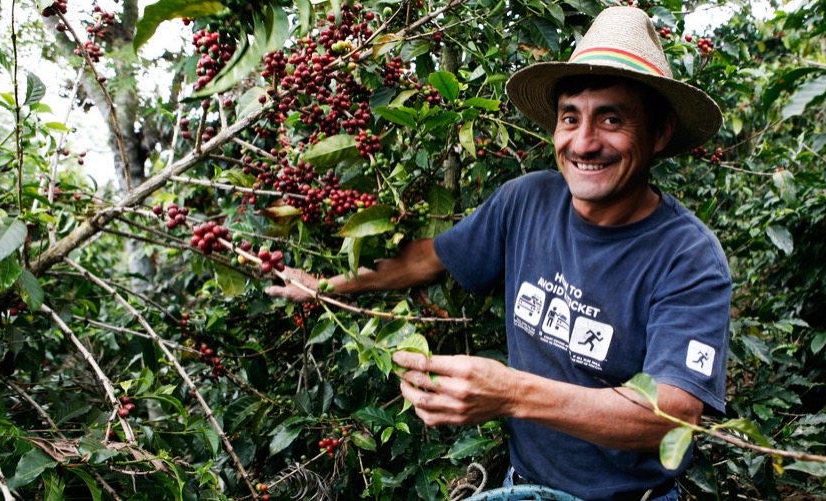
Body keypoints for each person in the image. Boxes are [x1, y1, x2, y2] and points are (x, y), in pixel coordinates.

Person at [267, 6, 731, 501]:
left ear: (659, 133)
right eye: (569, 118)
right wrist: (327, 286)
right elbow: (428, 259)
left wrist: (510, 393)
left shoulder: (688, 257)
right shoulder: (526, 200)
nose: (584, 142)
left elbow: (672, 414)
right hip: (523, 484)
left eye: (612, 119)